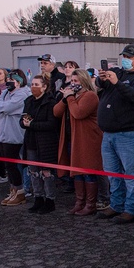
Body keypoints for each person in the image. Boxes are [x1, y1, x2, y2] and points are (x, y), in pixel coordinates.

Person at [95, 45, 134, 223]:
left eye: (129, 56)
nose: (125, 59)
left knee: (130, 173)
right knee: (112, 172)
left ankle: (132, 208)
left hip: (129, 133)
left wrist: (116, 83)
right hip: (109, 132)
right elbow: (100, 85)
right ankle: (116, 204)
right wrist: (102, 78)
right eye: (124, 55)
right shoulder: (118, 72)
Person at [53, 69, 103, 216]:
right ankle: (79, 202)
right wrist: (64, 99)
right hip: (73, 138)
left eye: (76, 81)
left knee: (88, 172)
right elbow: (56, 112)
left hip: (88, 139)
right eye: (72, 81)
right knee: (77, 173)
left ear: (84, 81)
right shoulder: (72, 96)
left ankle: (90, 204)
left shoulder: (90, 96)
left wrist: (69, 98)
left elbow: (78, 113)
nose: (73, 84)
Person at [0, 70, 32, 205]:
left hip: (14, 134)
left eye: (11, 80)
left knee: (12, 164)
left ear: (18, 81)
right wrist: (1, 106)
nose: (8, 82)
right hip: (2, 132)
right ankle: (13, 189)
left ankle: (20, 191)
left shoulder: (23, 94)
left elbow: (7, 107)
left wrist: (1, 107)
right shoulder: (6, 93)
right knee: (8, 165)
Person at [21, 75, 60, 214]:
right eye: (32, 84)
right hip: (31, 141)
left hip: (46, 142)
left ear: (44, 87)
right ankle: (38, 197)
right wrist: (25, 123)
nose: (33, 87)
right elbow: (23, 119)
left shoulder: (50, 102)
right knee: (33, 171)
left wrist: (32, 124)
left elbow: (51, 124)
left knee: (46, 172)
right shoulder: (29, 101)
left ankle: (50, 200)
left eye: (37, 84)